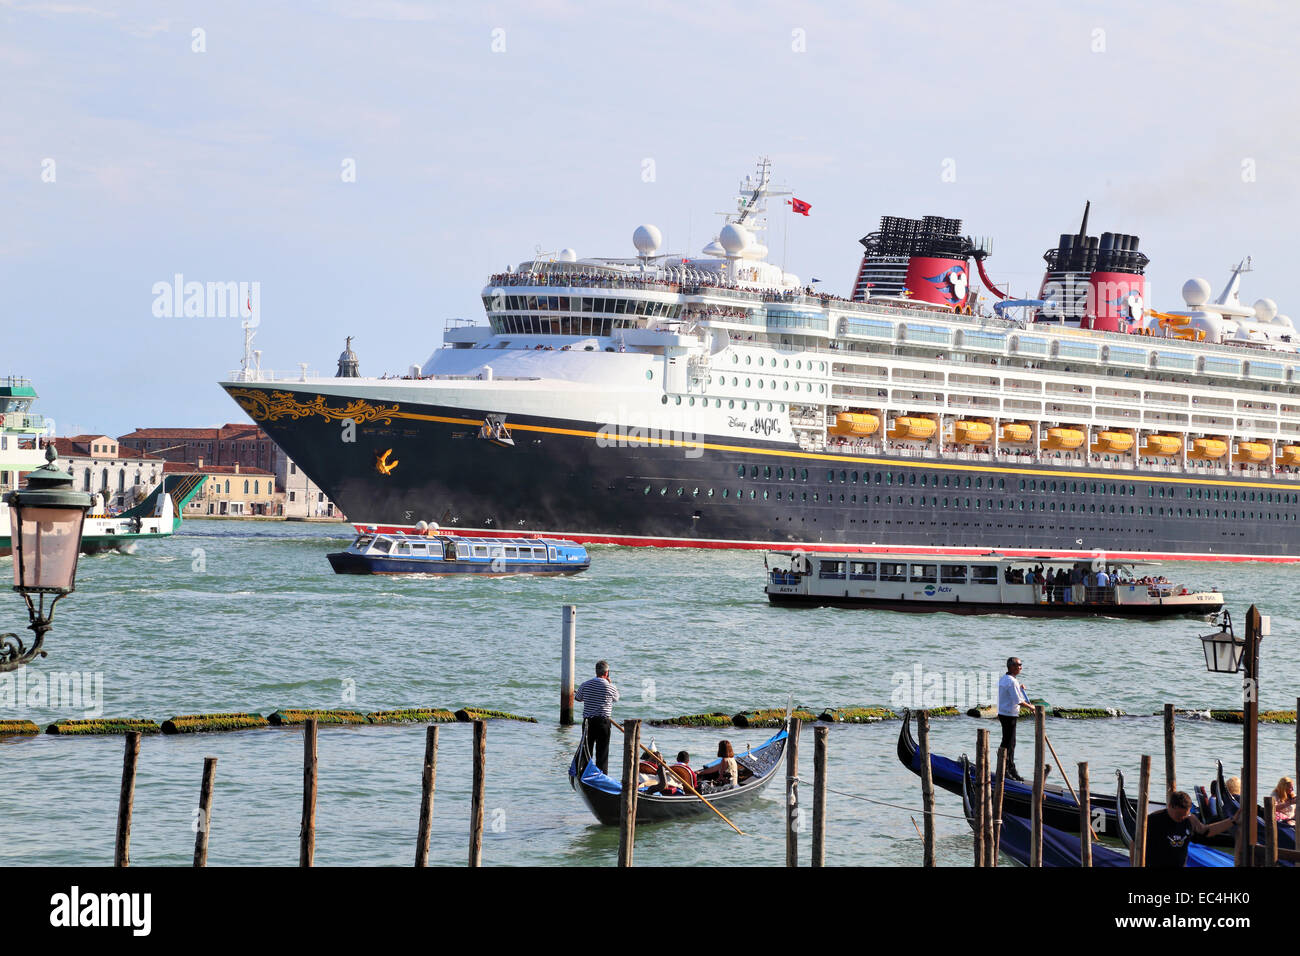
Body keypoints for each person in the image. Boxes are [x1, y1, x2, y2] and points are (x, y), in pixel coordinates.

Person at [1144, 790, 1238, 867]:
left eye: (1185, 815)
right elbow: (1135, 842)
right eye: (1179, 815)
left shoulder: (1190, 819)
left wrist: (1233, 820)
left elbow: (1207, 831)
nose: (1182, 818)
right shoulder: (1153, 820)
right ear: (1169, 806)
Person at [575, 660, 619, 774]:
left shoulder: (585, 684)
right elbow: (616, 698)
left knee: (587, 749)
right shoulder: (611, 687)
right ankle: (601, 775)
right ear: (607, 673)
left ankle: (584, 772)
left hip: (588, 722)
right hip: (603, 723)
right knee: (602, 752)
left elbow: (578, 698)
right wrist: (609, 683)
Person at [998, 657, 1032, 781]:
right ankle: (1006, 770)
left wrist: (1019, 686)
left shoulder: (1006, 679)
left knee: (1008, 742)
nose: (1020, 667)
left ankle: (1010, 768)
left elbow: (1011, 691)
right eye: (1018, 665)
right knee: (1009, 744)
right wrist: (1031, 707)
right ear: (1011, 666)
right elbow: (1018, 701)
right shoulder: (1012, 681)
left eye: (1021, 665)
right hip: (1009, 715)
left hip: (1004, 713)